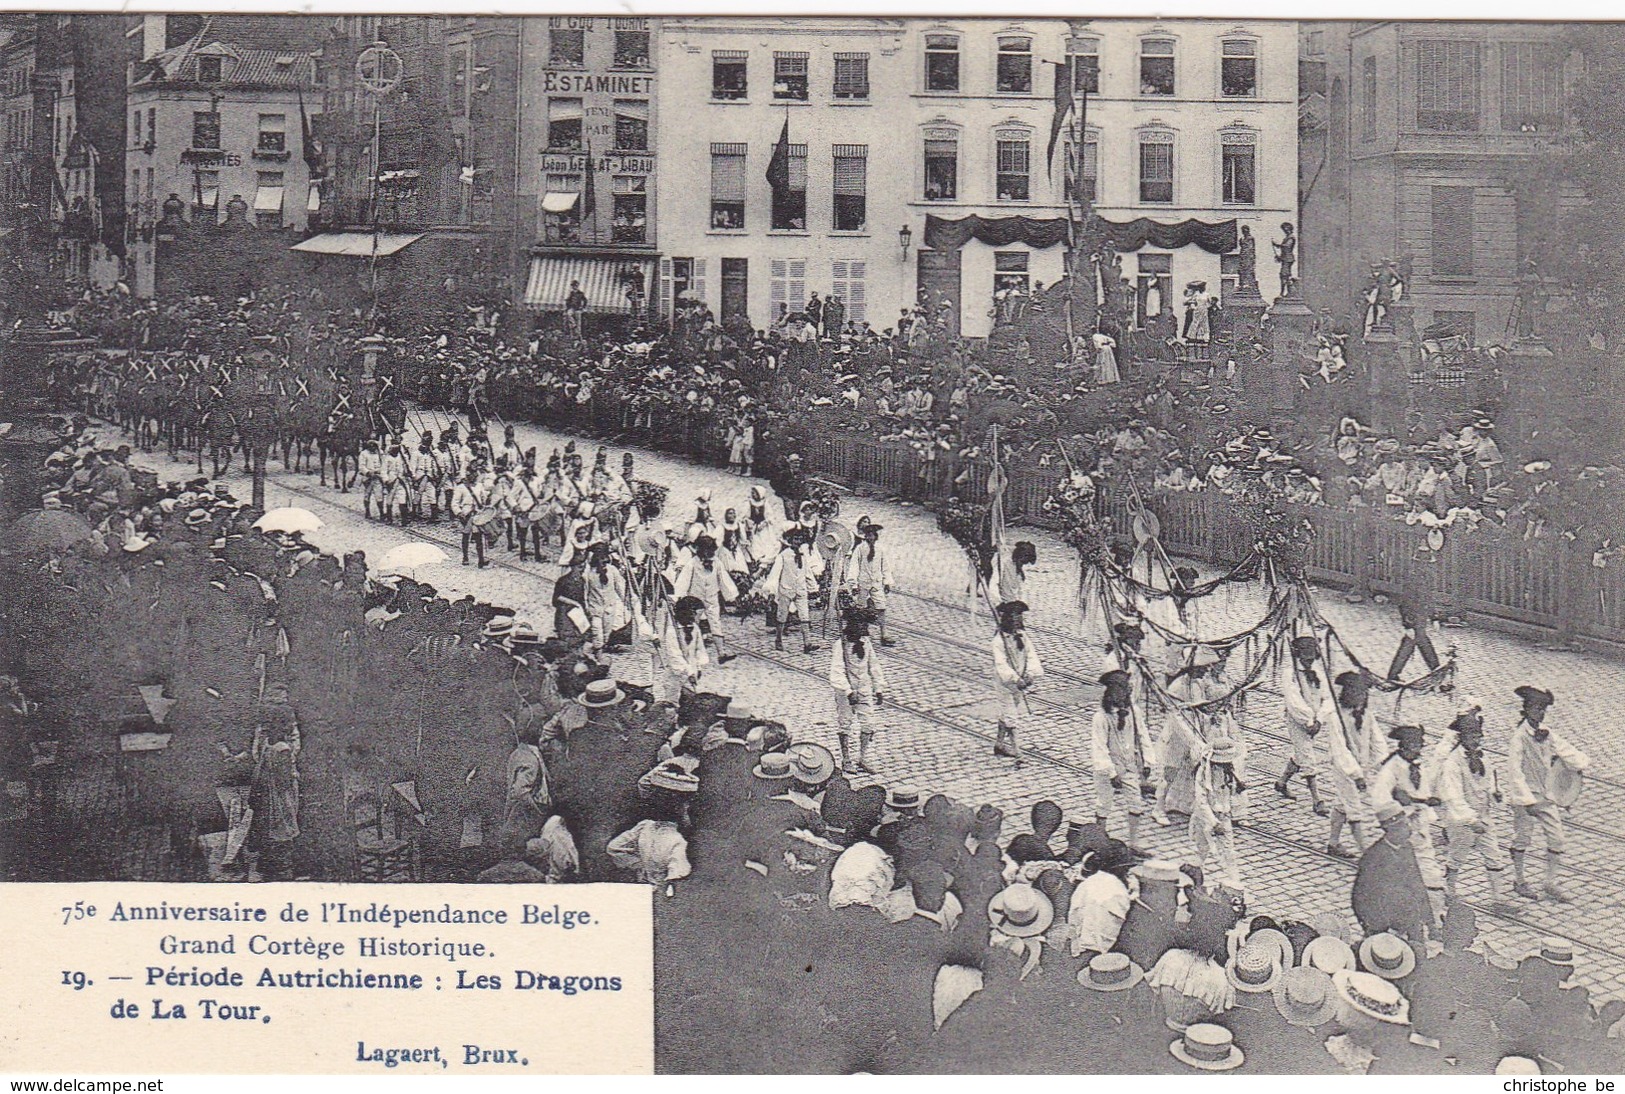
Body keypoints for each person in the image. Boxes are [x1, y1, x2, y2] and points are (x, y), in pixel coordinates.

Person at [1505, 685, 1589, 902]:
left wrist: (1577, 766)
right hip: (1526, 797)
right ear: (1526, 709)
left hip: (1546, 795)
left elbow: (1566, 750)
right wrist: (1525, 800)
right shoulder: (1518, 738)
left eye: (1543, 709)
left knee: (1557, 838)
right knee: (1523, 837)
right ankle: (1519, 879)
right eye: (1535, 708)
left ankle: (1550, 882)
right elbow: (1515, 772)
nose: (1540, 713)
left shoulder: (1547, 733)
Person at [1434, 714, 1512, 910]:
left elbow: (1490, 782)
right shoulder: (1452, 763)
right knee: (1457, 856)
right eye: (1471, 737)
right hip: (1461, 820)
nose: (1475, 741)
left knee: (1494, 855)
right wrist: (1470, 819)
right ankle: (1449, 888)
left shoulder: (1484, 756)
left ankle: (1498, 898)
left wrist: (1496, 794)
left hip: (1483, 816)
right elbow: (1453, 795)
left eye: (1478, 737)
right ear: (1462, 737)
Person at [1370, 724, 1445, 894]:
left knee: (1420, 859)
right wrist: (1401, 815)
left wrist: (1428, 800)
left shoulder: (1416, 765)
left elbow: (1422, 791)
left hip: (1420, 822)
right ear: (1403, 746)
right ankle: (1433, 893)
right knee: (1418, 862)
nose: (1418, 750)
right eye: (1414, 746)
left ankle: (1429, 891)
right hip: (1403, 824)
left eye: (1419, 746)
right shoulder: (1391, 768)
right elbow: (1380, 800)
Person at [1276, 636, 1332, 817]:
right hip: (1298, 719)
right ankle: (1317, 800)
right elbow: (1293, 701)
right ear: (1298, 656)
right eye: (1305, 659)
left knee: (1301, 753)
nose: (1309, 663)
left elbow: (1328, 696)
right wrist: (1308, 720)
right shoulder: (1289, 673)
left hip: (1315, 719)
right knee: (1307, 756)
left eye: (1312, 659)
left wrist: (1320, 719)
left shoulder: (1318, 669)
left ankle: (1282, 782)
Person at [1092, 669, 1146, 846]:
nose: (1127, 692)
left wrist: (1148, 761)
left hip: (1128, 765)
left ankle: (1134, 843)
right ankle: (1100, 839)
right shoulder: (1101, 717)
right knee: (1104, 803)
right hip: (1108, 768)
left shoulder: (1134, 711)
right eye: (1122, 689)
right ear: (1113, 691)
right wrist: (1111, 773)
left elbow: (1142, 735)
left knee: (1136, 801)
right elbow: (1099, 747)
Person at [992, 600, 1042, 766]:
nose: (1016, 622)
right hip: (1005, 684)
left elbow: (1032, 655)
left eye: (1019, 619)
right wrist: (1015, 678)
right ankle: (1018, 752)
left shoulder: (1023, 636)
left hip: (1020, 682)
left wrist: (1030, 675)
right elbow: (1001, 664)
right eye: (1013, 619)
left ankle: (999, 744)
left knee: (1007, 714)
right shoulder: (999, 641)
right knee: (1011, 716)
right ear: (1006, 620)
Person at [1190, 737, 1244, 891]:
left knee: (1229, 853)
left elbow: (1228, 792)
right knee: (1201, 849)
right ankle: (1191, 880)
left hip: (1223, 815)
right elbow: (1201, 801)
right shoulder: (1203, 772)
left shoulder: (1229, 770)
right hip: (1206, 817)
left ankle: (1236, 885)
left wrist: (1237, 789)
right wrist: (1213, 822)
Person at [764, 527, 819, 653]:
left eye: (799, 539)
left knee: (804, 616)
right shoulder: (783, 556)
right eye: (795, 538)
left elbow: (807, 572)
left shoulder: (803, 555)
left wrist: (813, 588)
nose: (797, 541)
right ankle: (778, 639)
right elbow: (775, 573)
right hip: (786, 589)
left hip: (800, 590)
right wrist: (771, 590)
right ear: (790, 540)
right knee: (782, 616)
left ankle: (807, 643)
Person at [848, 517, 895, 647]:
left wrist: (887, 581)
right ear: (865, 536)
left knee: (881, 607)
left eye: (873, 535)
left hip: (876, 582)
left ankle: (883, 634)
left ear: (876, 536)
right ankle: (862, 632)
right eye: (868, 535)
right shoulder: (860, 549)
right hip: (863, 582)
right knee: (861, 608)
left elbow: (885, 566)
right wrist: (853, 584)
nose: (870, 538)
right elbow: (854, 566)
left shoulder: (880, 550)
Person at [656, 595, 710, 707]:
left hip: (692, 673)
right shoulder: (672, 631)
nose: (698, 618)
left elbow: (699, 648)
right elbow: (674, 656)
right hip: (676, 676)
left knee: (690, 703)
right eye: (697, 615)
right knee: (673, 704)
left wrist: (699, 666)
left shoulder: (695, 628)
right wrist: (688, 672)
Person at [451, 470, 486, 568]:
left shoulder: (479, 486)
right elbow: (455, 503)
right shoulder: (461, 488)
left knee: (478, 537)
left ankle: (481, 559)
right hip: (466, 515)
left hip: (477, 514)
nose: (473, 477)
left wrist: (484, 506)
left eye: (474, 475)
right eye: (470, 475)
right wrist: (458, 512)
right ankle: (465, 557)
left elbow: (483, 499)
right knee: (466, 536)